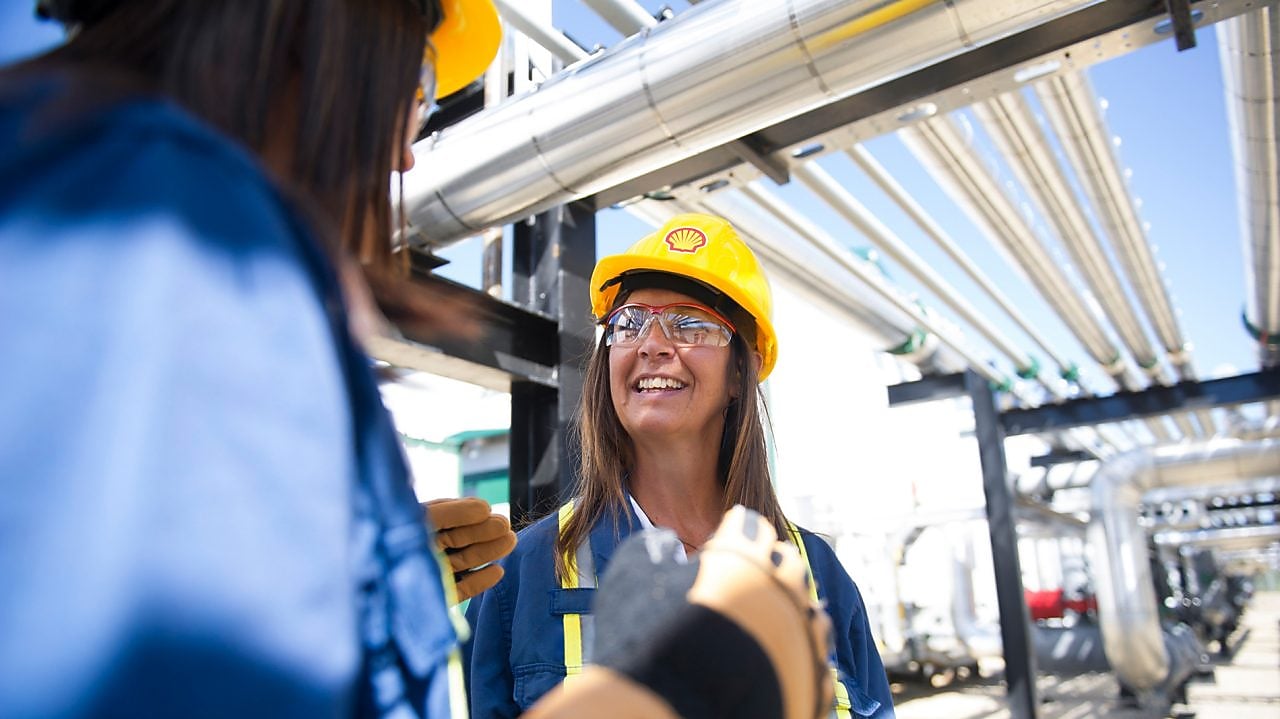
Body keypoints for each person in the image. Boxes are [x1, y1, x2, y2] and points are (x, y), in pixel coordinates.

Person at [0, 1, 835, 717]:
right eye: (420, 86)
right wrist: (697, 678)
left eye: (690, 327)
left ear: (742, 372)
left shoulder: (99, 189)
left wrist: (358, 574)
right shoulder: (172, 223)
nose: (407, 152)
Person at [465, 213, 897, 718]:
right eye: (629, 323)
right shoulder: (523, 571)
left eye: (689, 322)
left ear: (743, 371)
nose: (651, 344)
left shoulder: (816, 573)